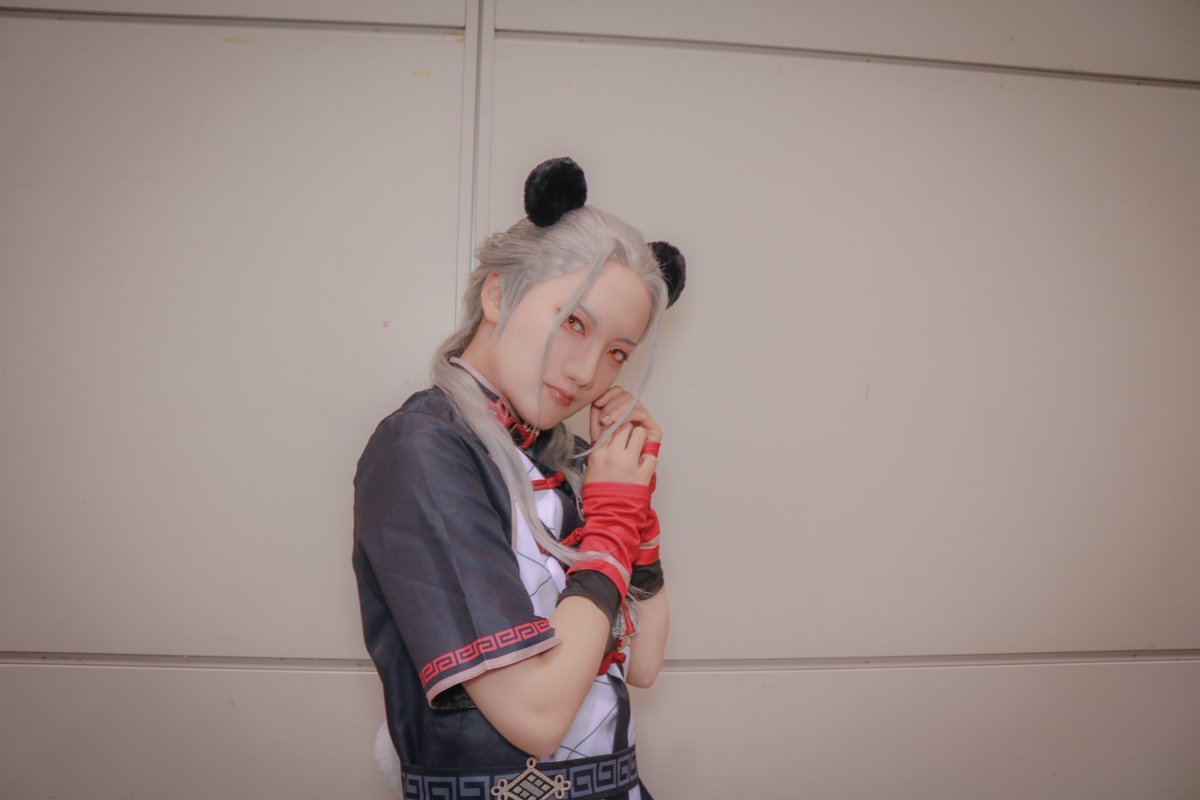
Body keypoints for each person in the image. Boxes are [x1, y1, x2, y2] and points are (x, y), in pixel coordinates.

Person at [352, 157, 686, 800]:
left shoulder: (559, 457)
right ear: (498, 294)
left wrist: (633, 506)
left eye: (618, 352)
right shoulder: (422, 449)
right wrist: (613, 520)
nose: (588, 372)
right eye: (574, 323)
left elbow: (644, 664)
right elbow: (535, 716)